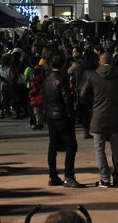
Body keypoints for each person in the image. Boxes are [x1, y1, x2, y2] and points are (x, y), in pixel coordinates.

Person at [80, 50, 118, 188]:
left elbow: (83, 95)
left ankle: (104, 178)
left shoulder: (93, 75)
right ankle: (117, 176)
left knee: (99, 148)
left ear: (100, 61)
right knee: (116, 147)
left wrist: (93, 106)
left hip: (98, 115)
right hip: (115, 115)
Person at [43, 50, 82, 188]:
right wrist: (71, 114)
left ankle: (53, 175)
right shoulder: (61, 79)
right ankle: (69, 175)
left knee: (53, 145)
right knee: (71, 145)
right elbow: (66, 98)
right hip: (62, 116)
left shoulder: (47, 78)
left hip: (50, 115)